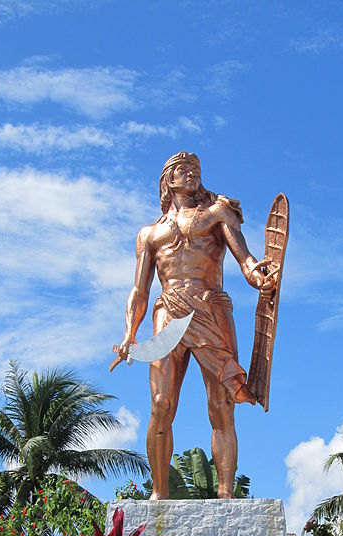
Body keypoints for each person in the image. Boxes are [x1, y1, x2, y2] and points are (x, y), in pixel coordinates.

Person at [117, 152, 275, 499]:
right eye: (183, 170)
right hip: (168, 312)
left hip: (210, 308)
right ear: (168, 180)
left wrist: (256, 275)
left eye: (196, 170)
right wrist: (130, 334)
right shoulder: (149, 234)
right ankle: (160, 495)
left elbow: (245, 260)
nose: (192, 175)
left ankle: (225, 493)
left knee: (221, 404)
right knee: (160, 404)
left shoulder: (217, 214)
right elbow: (139, 289)